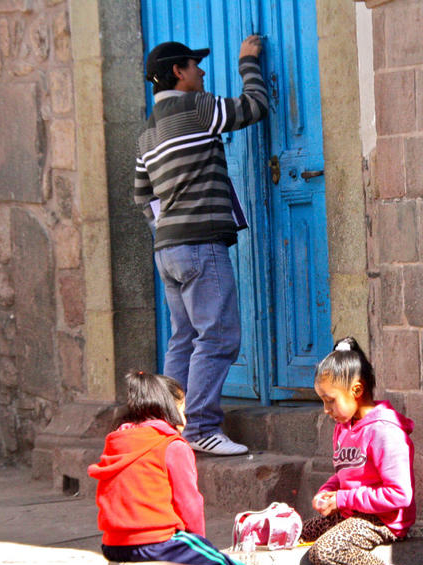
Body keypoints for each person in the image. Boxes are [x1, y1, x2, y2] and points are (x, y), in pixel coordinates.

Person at [133, 36, 268, 456]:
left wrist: (169, 228)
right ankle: (201, 428)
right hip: (199, 243)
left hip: (168, 248)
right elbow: (255, 106)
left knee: (184, 338)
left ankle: (167, 429)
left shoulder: (146, 133)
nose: (203, 73)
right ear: (179, 71)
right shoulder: (197, 107)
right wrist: (248, 61)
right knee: (219, 336)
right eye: (196, 65)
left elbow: (142, 197)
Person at [87, 370, 267, 565]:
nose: (185, 419)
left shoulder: (118, 440)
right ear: (169, 410)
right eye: (183, 412)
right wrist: (200, 544)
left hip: (113, 545)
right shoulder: (172, 446)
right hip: (155, 543)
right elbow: (189, 502)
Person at [301, 337, 416, 565]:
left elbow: (399, 495)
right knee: (302, 533)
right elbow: (345, 473)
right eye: (323, 401)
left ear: (356, 390)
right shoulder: (344, 426)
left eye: (330, 401)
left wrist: (343, 499)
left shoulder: (385, 431)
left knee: (326, 552)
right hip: (352, 512)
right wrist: (328, 491)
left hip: (382, 521)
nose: (326, 409)